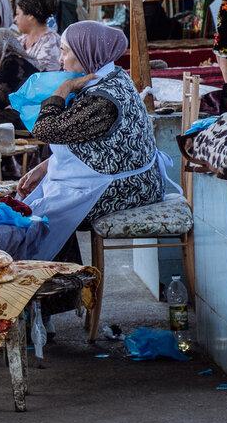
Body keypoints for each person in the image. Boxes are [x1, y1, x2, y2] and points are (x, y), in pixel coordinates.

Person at [18, 21, 169, 263]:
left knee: (41, 219)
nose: (60, 59)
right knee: (31, 206)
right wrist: (45, 166)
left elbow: (45, 129)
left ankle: (64, 288)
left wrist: (63, 89)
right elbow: (94, 143)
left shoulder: (102, 99)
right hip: (129, 176)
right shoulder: (110, 75)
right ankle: (64, 287)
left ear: (86, 54)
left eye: (65, 51)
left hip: (130, 187)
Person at [13, 0, 62, 71]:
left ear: (30, 16)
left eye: (18, 14)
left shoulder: (51, 42)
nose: (15, 19)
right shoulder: (22, 39)